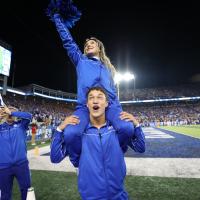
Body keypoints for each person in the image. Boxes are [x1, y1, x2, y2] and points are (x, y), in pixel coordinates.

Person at [46, 0, 135, 154]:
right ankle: (78, 160)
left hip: (111, 106)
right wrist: (58, 19)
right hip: (84, 107)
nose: (87, 45)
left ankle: (115, 151)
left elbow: (112, 89)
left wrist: (116, 106)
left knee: (127, 128)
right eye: (86, 44)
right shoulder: (80, 60)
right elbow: (67, 41)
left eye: (92, 43)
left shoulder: (109, 67)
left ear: (99, 48)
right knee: (71, 133)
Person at [50, 87, 145, 199]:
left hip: (119, 195)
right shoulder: (78, 134)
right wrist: (60, 129)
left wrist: (136, 124)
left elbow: (140, 147)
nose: (95, 101)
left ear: (106, 104)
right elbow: (55, 158)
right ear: (87, 104)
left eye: (100, 97)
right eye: (91, 98)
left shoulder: (116, 130)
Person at [0, 105, 32, 200]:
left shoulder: (21, 125)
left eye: (12, 111)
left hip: (21, 165)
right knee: (5, 194)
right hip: (3, 167)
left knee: (26, 190)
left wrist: (12, 112)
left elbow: (29, 116)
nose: (9, 113)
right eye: (7, 111)